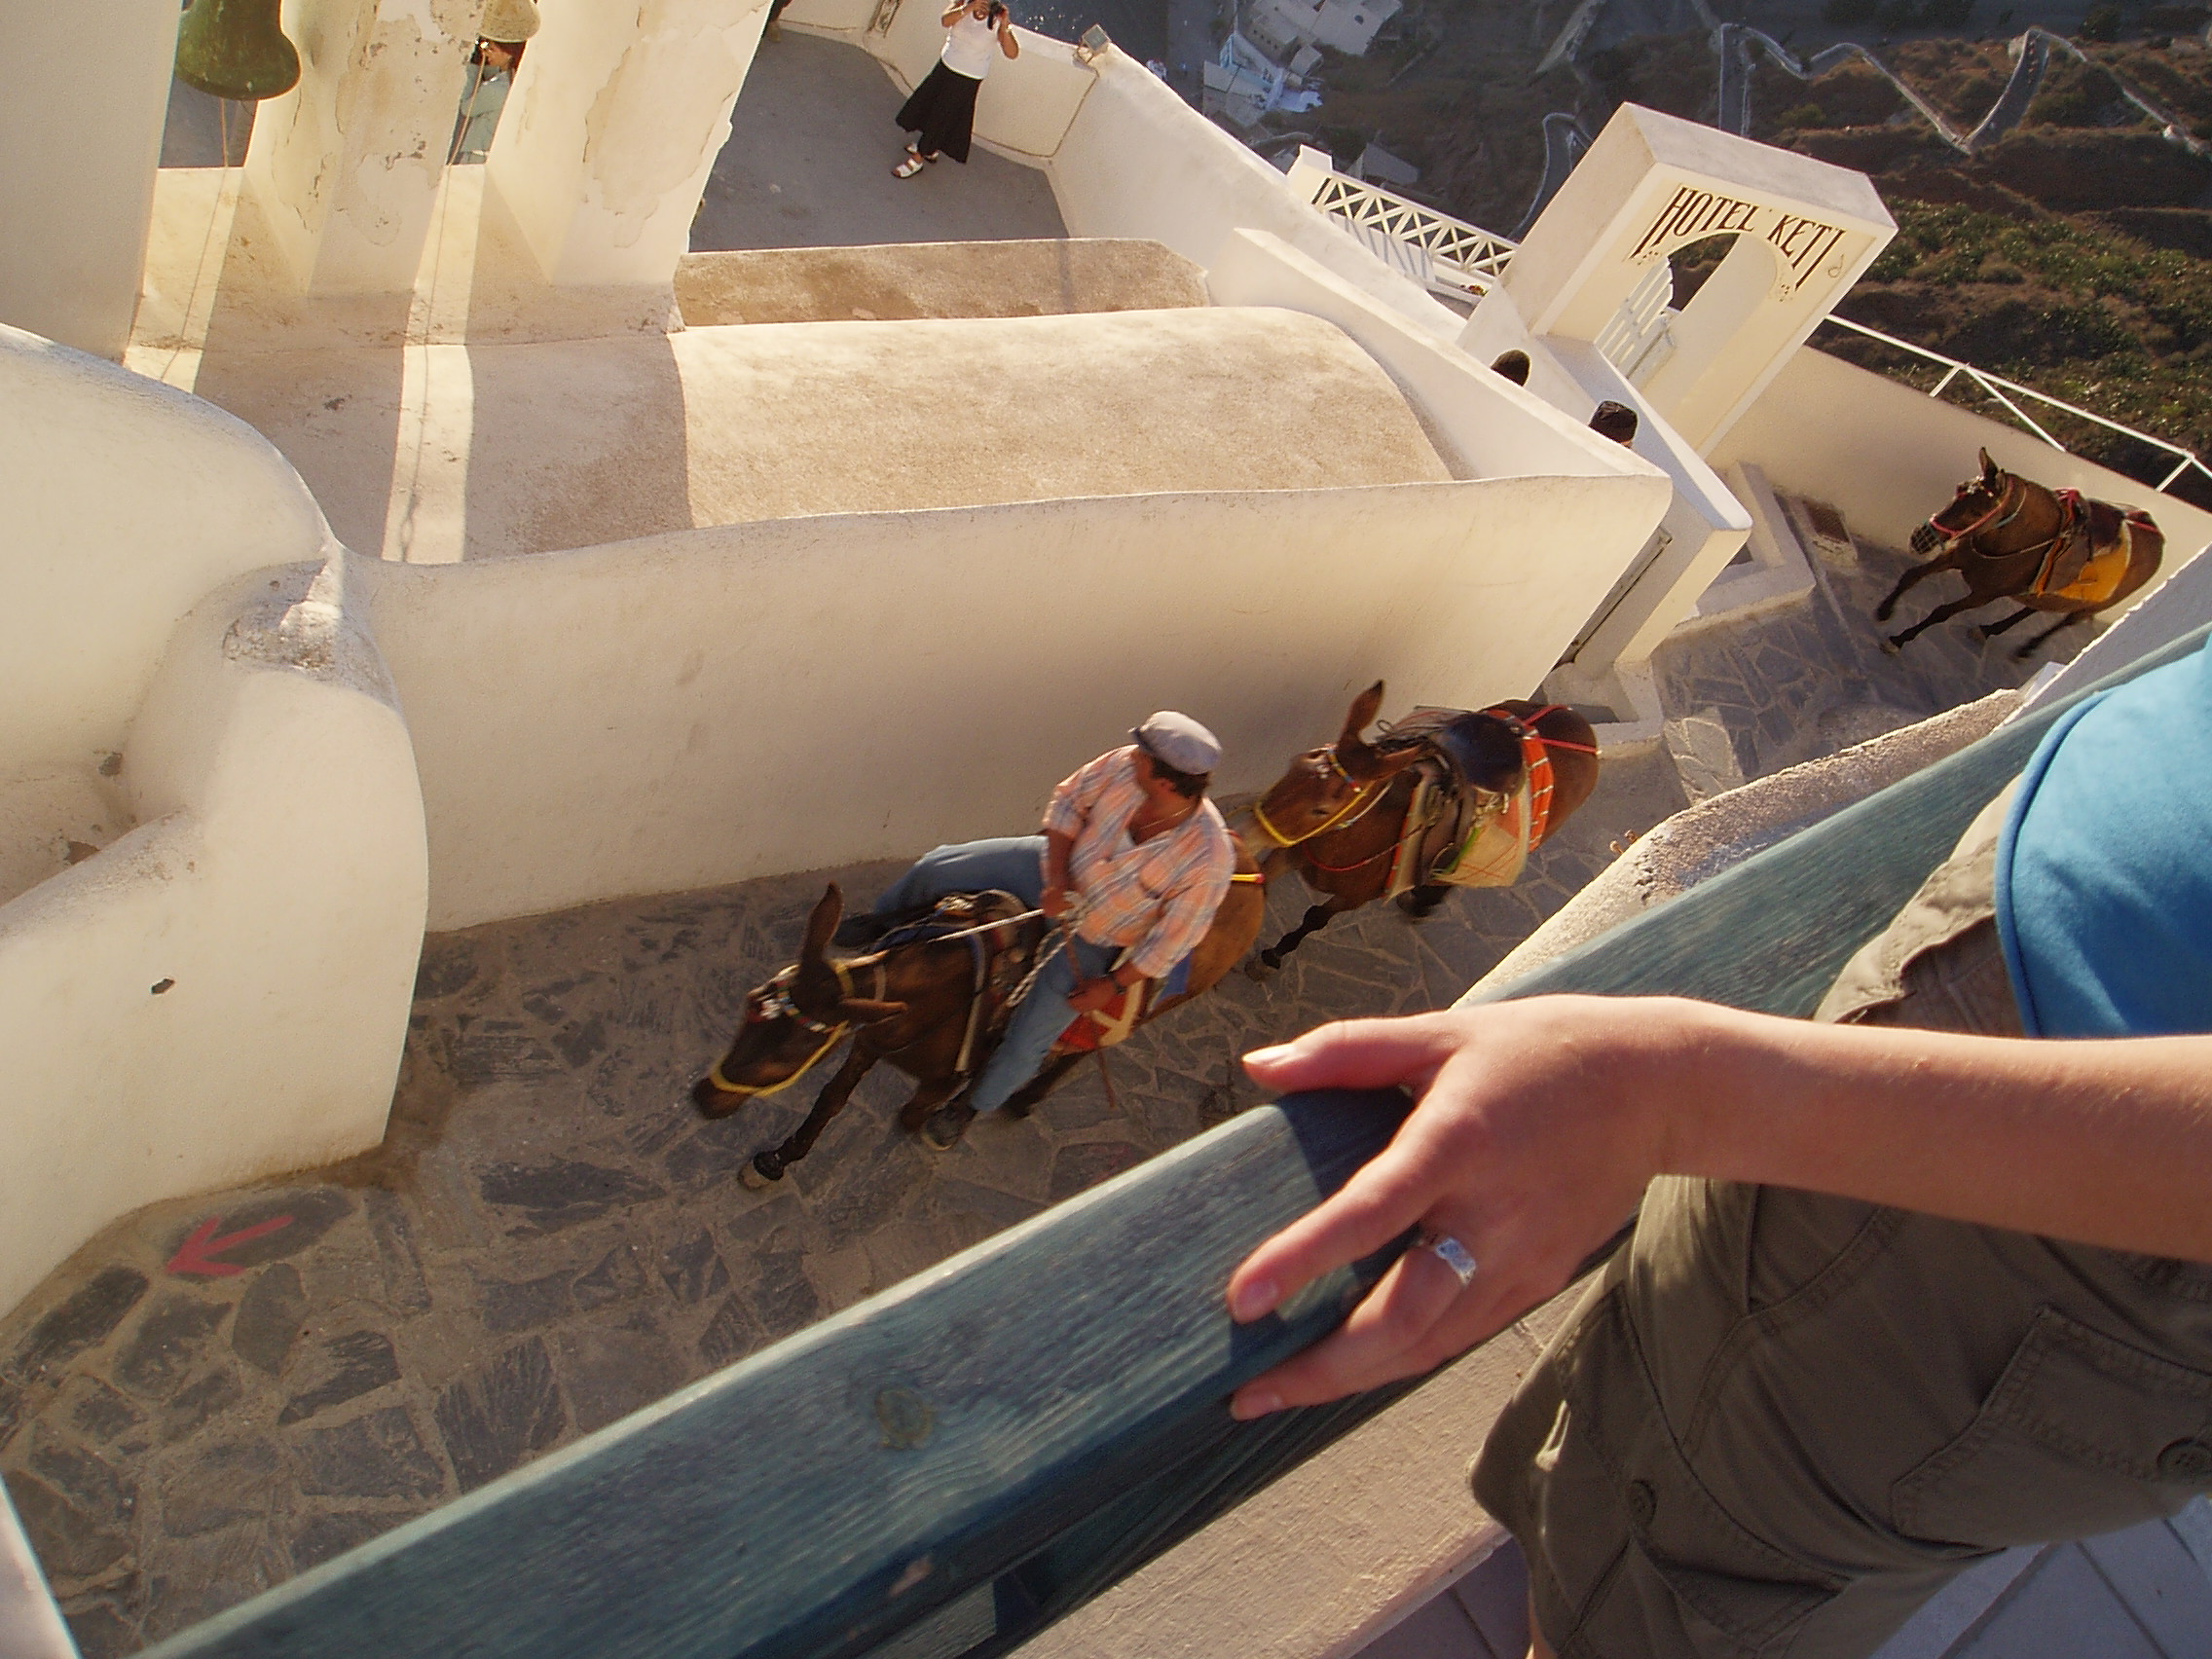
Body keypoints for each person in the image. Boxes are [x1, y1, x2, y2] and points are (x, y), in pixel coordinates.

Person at [1224, 634, 2212, 1659]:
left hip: (2060, 1221)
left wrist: (1679, 1095)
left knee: (1674, 1582)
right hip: (2002, 925)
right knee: (1628, 1442)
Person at [837, 713, 1236, 1148]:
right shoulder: (1124, 764)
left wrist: (1111, 985)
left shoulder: (1209, 857)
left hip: (1094, 934)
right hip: (1050, 869)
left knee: (1030, 1040)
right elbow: (1068, 801)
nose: (1133, 756)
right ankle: (883, 921)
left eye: (1143, 755)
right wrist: (1057, 878)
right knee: (939, 864)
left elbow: (1174, 939)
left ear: (1165, 782)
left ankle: (968, 1106)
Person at [894, 0, 1019, 178]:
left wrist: (1005, 26)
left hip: (967, 78)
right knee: (930, 107)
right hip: (946, 66)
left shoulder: (997, 18)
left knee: (942, 116)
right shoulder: (963, 3)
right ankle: (930, 148)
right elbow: (945, 21)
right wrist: (968, 8)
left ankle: (918, 158)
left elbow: (1012, 53)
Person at [451, 0, 539, 166]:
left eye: (492, 49)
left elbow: (467, 108)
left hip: (476, 155)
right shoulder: (511, 82)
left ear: (508, 53)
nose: (487, 53)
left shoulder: (497, 89)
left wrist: (473, 67)